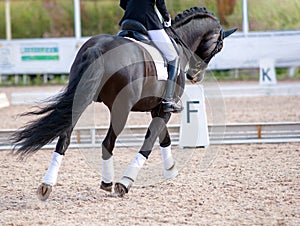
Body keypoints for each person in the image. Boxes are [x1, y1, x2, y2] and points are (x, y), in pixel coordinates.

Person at [119, 0, 183, 113]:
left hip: (127, 21)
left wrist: (134, 11)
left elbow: (122, 3)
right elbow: (160, 3)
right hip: (148, 21)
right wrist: (167, 18)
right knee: (173, 57)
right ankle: (168, 100)